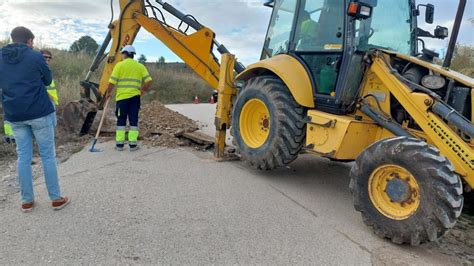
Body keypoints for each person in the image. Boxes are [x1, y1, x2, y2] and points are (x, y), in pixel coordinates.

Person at [0, 26, 69, 212]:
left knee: (23, 157)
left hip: (15, 114)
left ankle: (27, 201)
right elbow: (47, 81)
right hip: (39, 112)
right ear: (29, 40)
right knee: (47, 155)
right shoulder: (35, 56)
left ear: (12, 38)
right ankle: (56, 199)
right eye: (32, 41)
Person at [107, 45, 152, 151]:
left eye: (122, 53)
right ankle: (133, 145)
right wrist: (143, 90)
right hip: (135, 98)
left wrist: (109, 92)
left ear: (125, 53)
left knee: (121, 120)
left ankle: (119, 145)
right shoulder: (140, 66)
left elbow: (112, 82)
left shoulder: (119, 66)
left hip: (122, 99)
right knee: (133, 121)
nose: (122, 55)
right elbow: (149, 80)